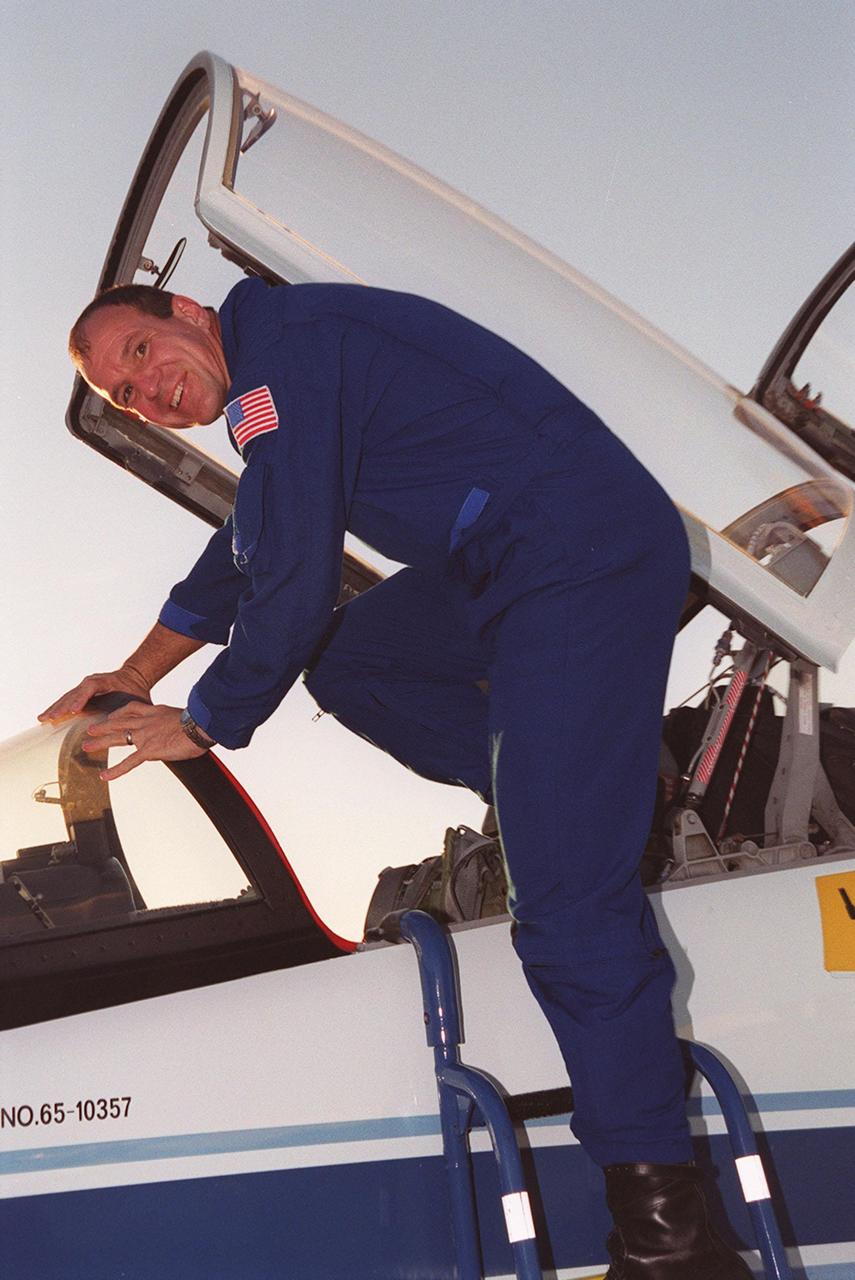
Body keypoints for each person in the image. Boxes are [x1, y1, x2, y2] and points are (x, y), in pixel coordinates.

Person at [43, 278, 752, 1279]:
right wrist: (133, 675)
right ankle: (578, 786)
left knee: (566, 903)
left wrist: (206, 719)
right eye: (122, 394)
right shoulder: (274, 395)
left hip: (573, 548)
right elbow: (239, 550)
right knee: (355, 657)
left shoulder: (284, 348)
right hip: (503, 566)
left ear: (190, 312)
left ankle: (674, 1246)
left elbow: (289, 571)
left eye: (141, 354)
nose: (146, 389)